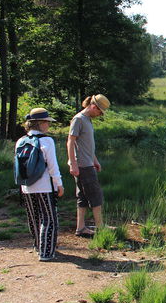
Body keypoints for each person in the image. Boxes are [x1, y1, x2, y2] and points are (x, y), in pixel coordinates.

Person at [17, 108, 64, 261]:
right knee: (49, 219)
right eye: (47, 122)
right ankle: (46, 252)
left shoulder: (21, 141)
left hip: (26, 187)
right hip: (44, 186)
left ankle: (38, 246)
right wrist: (59, 184)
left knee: (34, 218)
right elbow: (52, 166)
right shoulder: (47, 141)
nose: (48, 126)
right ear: (41, 123)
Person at [67, 94, 110, 236]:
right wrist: (73, 164)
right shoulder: (78, 119)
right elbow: (71, 142)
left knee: (83, 198)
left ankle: (80, 228)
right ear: (93, 106)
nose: (100, 114)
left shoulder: (88, 120)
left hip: (88, 163)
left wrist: (95, 160)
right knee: (96, 196)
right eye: (100, 111)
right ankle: (101, 227)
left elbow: (87, 145)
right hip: (82, 166)